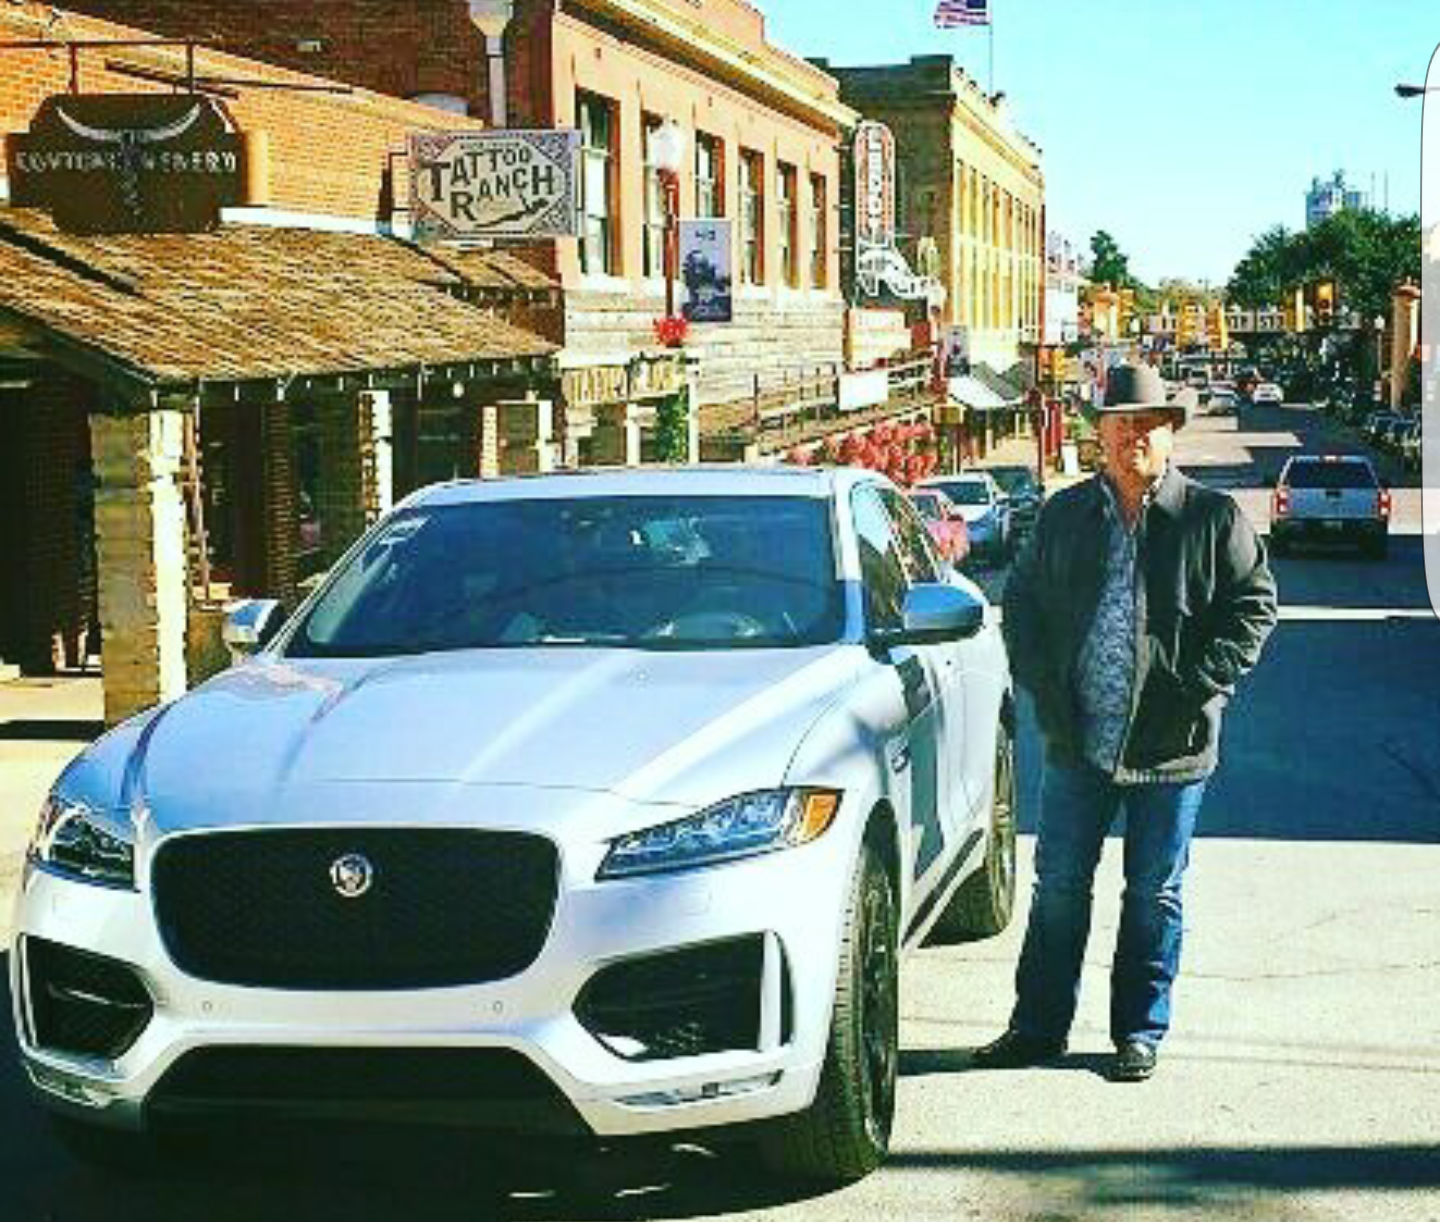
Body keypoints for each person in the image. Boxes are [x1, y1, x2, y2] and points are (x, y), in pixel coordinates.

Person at [977, 362, 1278, 1082]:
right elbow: (1020, 602)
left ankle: (1139, 1030)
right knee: (1058, 890)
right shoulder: (1064, 514)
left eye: (1147, 425)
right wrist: (1044, 690)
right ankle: (1037, 1025)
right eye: (1120, 426)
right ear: (1100, 437)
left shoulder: (1210, 517)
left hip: (1171, 750)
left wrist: (1199, 685)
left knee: (1154, 893)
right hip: (1079, 741)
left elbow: (1254, 605)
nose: (1133, 437)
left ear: (1170, 435)